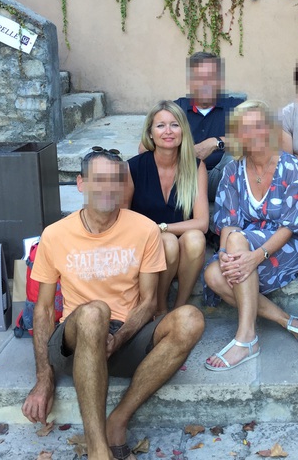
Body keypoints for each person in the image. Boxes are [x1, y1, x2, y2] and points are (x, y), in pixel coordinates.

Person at [22, 148, 205, 460]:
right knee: (95, 312)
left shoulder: (144, 229)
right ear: (81, 183)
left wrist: (118, 339)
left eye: (115, 180)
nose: (108, 188)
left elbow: (148, 302)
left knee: (191, 319)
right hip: (76, 340)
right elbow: (43, 309)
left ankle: (118, 420)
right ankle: (98, 451)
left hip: (125, 336)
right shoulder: (55, 234)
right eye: (99, 179)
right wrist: (43, 378)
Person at [203, 100, 298, 371]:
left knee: (235, 244)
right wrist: (226, 255)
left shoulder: (292, 168)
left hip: (286, 244)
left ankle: (246, 338)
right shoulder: (232, 170)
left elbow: (290, 226)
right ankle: (286, 320)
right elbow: (228, 222)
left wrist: (256, 256)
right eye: (245, 128)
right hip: (243, 243)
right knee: (214, 275)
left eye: (258, 126)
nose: (253, 134)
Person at [125, 100, 209, 316]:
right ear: (150, 133)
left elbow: (202, 223)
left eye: (174, 125)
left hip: (180, 246)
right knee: (168, 242)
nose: (168, 131)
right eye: (160, 125)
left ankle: (179, 306)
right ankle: (159, 307)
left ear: (183, 130)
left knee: (195, 238)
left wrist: (162, 228)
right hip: (144, 245)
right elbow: (124, 217)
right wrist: (156, 233)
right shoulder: (133, 167)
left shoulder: (195, 166)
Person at [174, 51, 243, 201]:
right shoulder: (175, 109)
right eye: (199, 78)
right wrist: (185, 152)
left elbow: (261, 140)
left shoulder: (236, 107)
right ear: (190, 82)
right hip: (185, 179)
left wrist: (215, 142)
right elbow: (144, 148)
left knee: (234, 159)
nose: (205, 83)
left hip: (221, 178)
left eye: (211, 77)